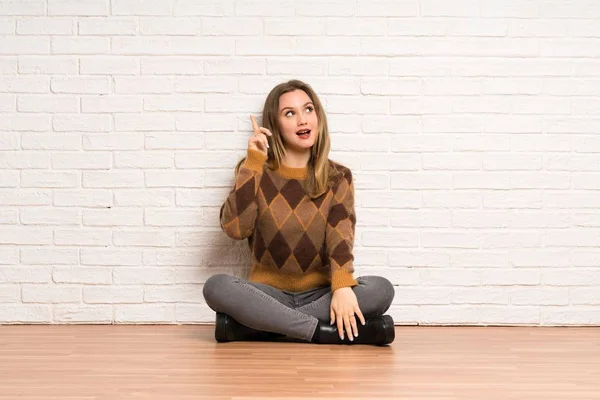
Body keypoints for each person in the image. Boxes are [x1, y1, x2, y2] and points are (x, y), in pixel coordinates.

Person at [202, 79, 395, 345]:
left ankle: (255, 327)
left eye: (308, 109)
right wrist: (254, 163)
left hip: (320, 295)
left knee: (381, 289)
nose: (302, 120)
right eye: (289, 113)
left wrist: (341, 287)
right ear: (275, 124)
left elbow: (341, 238)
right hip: (267, 294)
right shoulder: (254, 169)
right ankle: (321, 332)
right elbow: (236, 229)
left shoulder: (338, 177)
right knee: (216, 287)